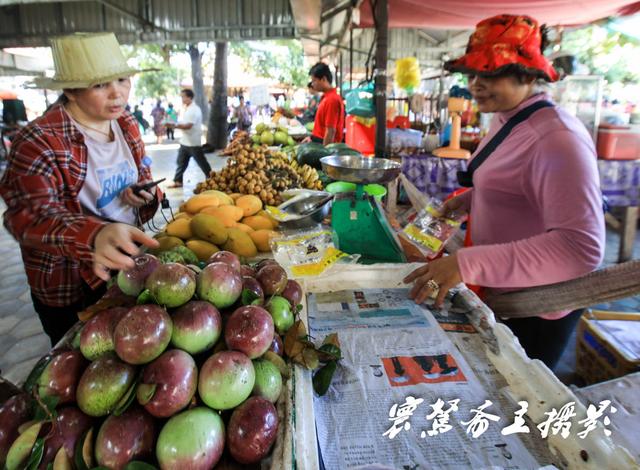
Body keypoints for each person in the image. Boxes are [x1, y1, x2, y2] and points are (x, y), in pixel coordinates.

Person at [403, 14, 605, 370]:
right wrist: (467, 202)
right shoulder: (508, 116)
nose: (476, 85)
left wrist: (467, 264)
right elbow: (515, 185)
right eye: (473, 74)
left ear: (527, 75)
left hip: (535, 308)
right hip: (499, 290)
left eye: (490, 74)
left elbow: (581, 248)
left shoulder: (557, 139)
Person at [0, 32, 160, 346]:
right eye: (101, 85)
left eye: (123, 80)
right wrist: (94, 235)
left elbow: (142, 178)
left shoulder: (126, 124)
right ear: (71, 91)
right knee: (78, 360)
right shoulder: (37, 141)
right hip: (71, 282)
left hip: (128, 262)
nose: (117, 94)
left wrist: (143, 195)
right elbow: (28, 218)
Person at [166, 89, 212, 188]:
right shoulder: (187, 108)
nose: (182, 99)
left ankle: (212, 178)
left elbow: (188, 125)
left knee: (202, 162)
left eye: (183, 97)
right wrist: (175, 124)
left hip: (193, 142)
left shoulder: (194, 109)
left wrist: (174, 126)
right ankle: (178, 181)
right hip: (185, 141)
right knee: (181, 162)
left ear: (189, 97)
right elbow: (184, 123)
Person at [307, 62, 344, 145]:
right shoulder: (326, 97)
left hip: (325, 147)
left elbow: (330, 131)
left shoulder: (331, 99)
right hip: (318, 143)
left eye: (314, 81)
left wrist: (325, 154)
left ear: (323, 79)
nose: (312, 84)